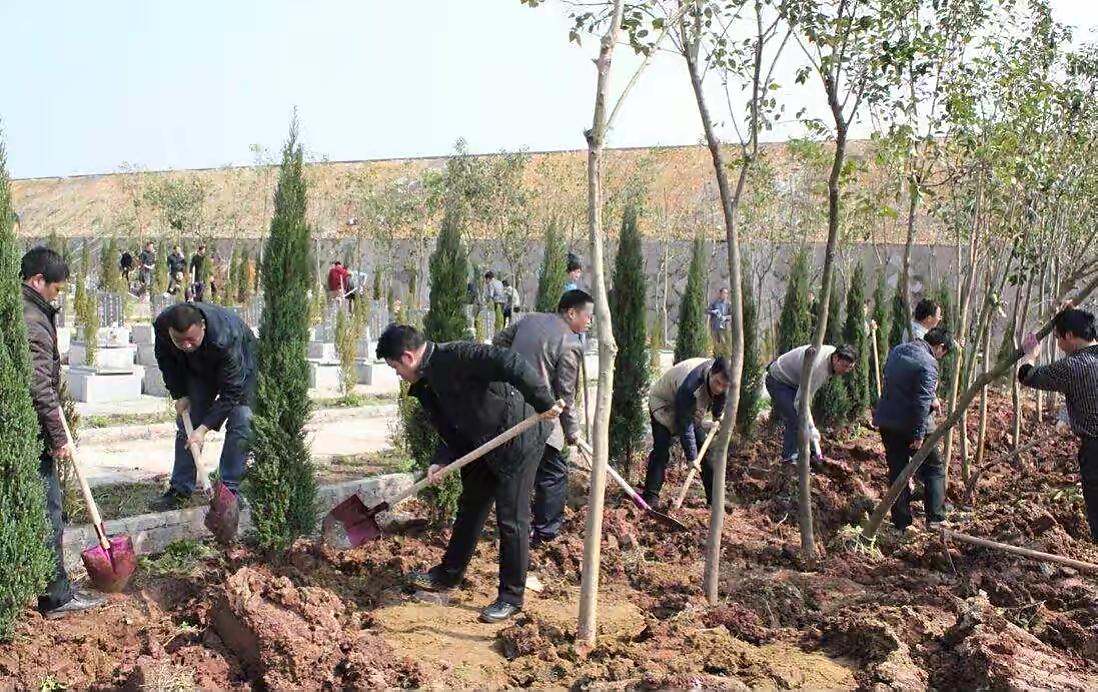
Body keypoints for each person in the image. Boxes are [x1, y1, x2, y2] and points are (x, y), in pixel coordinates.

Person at [376, 324, 562, 623]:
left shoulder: (459, 355)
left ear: (407, 357)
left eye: (394, 366)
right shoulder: (426, 384)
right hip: (480, 444)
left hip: (517, 438)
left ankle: (511, 598)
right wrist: (440, 460)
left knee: (512, 519)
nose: (397, 374)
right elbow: (451, 427)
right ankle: (448, 575)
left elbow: (511, 362)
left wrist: (543, 402)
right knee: (470, 507)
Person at [21, 247, 105, 617]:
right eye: (56, 289)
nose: (57, 296)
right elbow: (40, 387)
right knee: (49, 512)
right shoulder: (32, 321)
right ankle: (56, 598)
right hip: (33, 432)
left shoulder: (22, 310)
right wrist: (57, 438)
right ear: (38, 281)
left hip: (24, 429)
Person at [493, 289, 591, 544]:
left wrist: (515, 367)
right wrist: (572, 431)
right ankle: (546, 533)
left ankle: (514, 526)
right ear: (572, 313)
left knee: (518, 471)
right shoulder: (570, 343)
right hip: (540, 416)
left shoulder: (529, 320)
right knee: (553, 473)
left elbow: (498, 341)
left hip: (509, 407)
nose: (589, 321)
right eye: (587, 316)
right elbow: (566, 394)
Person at [149, 302, 257, 511]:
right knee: (188, 419)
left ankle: (229, 493)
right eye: (179, 340)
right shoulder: (163, 326)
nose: (186, 345)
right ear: (170, 332)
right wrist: (179, 394)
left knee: (242, 419)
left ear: (203, 327)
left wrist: (203, 429)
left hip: (241, 367)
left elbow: (232, 392)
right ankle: (180, 488)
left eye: (191, 339)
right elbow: (166, 360)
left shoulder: (226, 337)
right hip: (200, 367)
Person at [1019, 307, 1098, 540]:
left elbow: (1027, 375)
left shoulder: (1074, 366)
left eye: (1058, 338)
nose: (1059, 344)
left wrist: (1030, 354)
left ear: (1070, 336)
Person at [873, 327, 953, 532]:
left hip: (888, 421)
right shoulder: (929, 362)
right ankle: (936, 518)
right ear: (940, 347)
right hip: (911, 423)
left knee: (897, 471)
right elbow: (922, 401)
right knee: (934, 468)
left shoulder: (897, 351)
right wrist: (919, 435)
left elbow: (898, 382)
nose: (941, 357)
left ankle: (901, 523)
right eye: (944, 353)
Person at [642, 356, 730, 508]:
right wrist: (692, 457)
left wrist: (717, 415)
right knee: (662, 449)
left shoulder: (724, 381)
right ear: (711, 373)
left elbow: (721, 396)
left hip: (688, 407)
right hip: (663, 402)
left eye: (724, 385)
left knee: (706, 451)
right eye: (717, 382)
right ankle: (650, 497)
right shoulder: (691, 385)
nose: (719, 388)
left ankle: (715, 500)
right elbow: (685, 423)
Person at [765, 344, 858, 463]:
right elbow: (800, 403)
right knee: (796, 418)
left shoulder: (832, 354)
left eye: (850, 367)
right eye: (845, 366)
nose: (846, 370)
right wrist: (812, 427)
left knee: (805, 419)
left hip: (794, 382)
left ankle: (813, 455)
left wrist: (810, 426)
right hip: (778, 380)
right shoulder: (818, 369)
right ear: (835, 358)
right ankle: (789, 459)